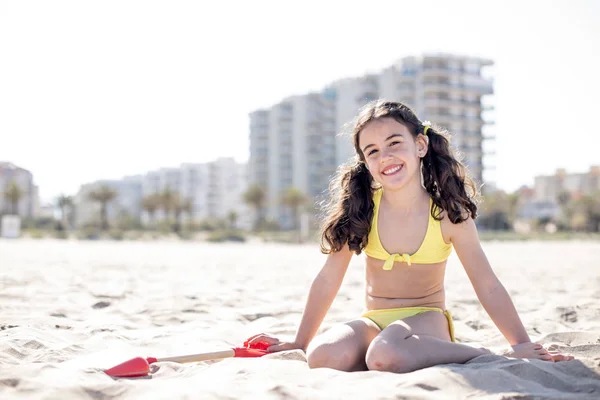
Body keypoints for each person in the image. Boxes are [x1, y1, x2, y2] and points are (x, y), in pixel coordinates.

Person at [248, 100, 573, 373]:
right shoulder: (361, 210)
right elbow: (327, 279)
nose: (385, 156)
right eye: (372, 151)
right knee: (322, 356)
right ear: (365, 162)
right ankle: (369, 350)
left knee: (384, 355)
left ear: (420, 145)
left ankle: (483, 354)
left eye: (394, 143)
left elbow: (487, 284)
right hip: (374, 321)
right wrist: (300, 342)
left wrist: (521, 344)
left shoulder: (448, 214)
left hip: (426, 321)